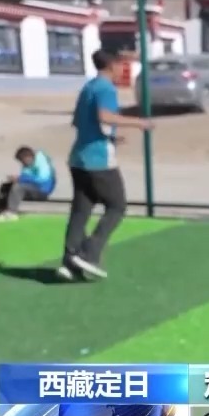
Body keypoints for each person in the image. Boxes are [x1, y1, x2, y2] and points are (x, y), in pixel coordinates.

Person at [56, 49, 153, 282]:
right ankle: (88, 254)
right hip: (98, 160)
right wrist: (139, 123)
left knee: (81, 210)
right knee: (117, 206)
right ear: (112, 66)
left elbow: (78, 122)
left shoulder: (88, 87)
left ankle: (69, 261)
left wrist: (110, 137)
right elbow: (105, 116)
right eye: (122, 65)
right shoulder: (106, 88)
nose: (123, 70)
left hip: (78, 158)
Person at [0, 146, 56, 221]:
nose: (22, 163)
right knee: (6, 186)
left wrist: (20, 179)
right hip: (31, 188)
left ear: (27, 158)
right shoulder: (27, 165)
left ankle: (12, 213)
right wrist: (17, 179)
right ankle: (1, 212)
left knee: (18, 187)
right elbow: (25, 177)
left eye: (22, 161)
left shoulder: (42, 162)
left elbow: (42, 179)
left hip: (42, 191)